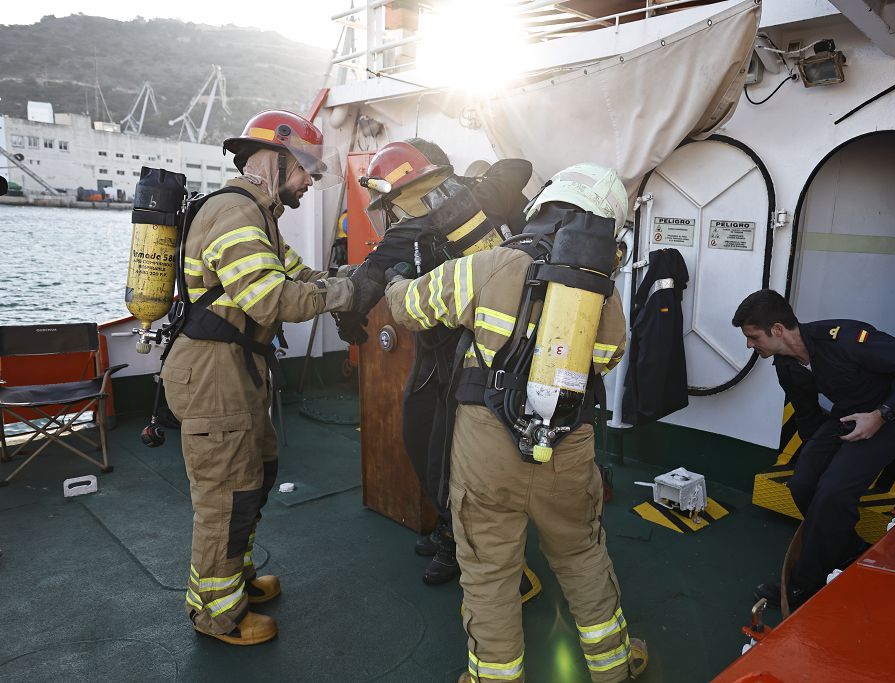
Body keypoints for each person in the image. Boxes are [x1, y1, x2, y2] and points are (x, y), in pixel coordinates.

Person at [385, 163, 648, 683]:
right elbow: (608, 357)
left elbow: (408, 309)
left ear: (544, 207)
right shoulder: (604, 296)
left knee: (488, 572)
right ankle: (614, 666)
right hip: (567, 445)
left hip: (487, 448)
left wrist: (395, 283)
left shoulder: (492, 266)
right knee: (581, 555)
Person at [160, 110, 378, 645]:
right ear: (274, 159)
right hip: (214, 372)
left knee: (255, 473)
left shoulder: (260, 215)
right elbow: (270, 299)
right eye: (306, 169)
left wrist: (347, 278)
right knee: (225, 496)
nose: (309, 181)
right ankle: (216, 614)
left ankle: (237, 579)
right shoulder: (235, 214)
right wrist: (348, 295)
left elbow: (299, 275)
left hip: (239, 368)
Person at [353, 139, 539, 589]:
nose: (390, 212)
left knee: (445, 449)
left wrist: (349, 316)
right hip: (453, 349)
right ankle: (448, 524)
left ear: (402, 192)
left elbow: (366, 282)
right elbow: (521, 165)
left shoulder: (422, 221)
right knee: (422, 435)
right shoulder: (475, 198)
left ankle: (457, 539)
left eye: (389, 202)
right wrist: (477, 186)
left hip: (467, 355)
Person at [732, 289, 895, 608]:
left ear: (777, 330)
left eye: (753, 337)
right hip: (849, 413)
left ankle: (805, 583)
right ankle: (851, 552)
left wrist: (881, 415)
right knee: (803, 482)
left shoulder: (845, 339)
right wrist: (819, 456)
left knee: (833, 490)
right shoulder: (786, 365)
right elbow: (807, 414)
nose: (749, 345)